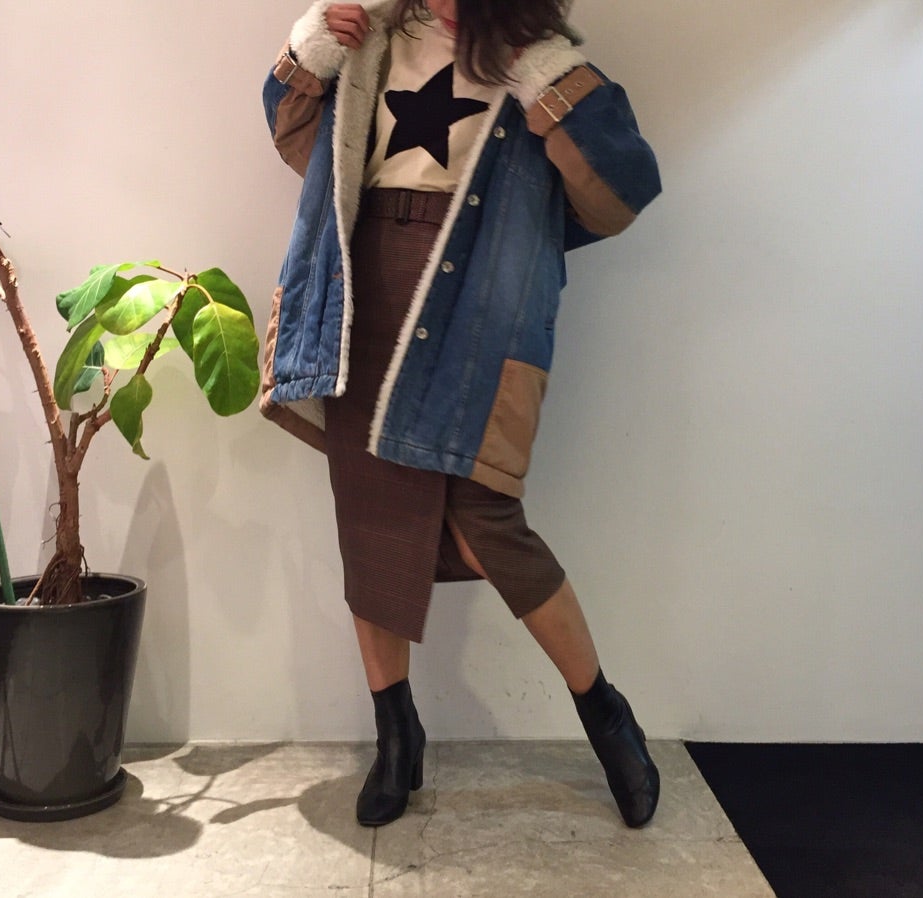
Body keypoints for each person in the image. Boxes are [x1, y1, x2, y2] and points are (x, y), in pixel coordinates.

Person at [259, 0, 662, 828]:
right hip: (363, 281)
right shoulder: (373, 30)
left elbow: (619, 189)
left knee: (487, 520)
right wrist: (316, 45)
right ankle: (396, 735)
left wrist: (540, 77)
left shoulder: (532, 51)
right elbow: (296, 138)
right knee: (369, 516)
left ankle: (605, 712)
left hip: (481, 294)